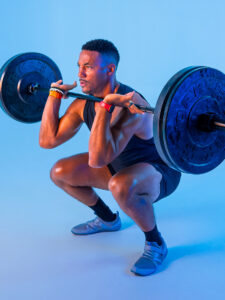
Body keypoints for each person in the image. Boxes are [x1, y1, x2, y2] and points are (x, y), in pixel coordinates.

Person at [39, 39, 181, 276]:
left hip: (157, 172)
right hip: (116, 165)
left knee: (120, 185)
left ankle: (155, 243)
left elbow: (97, 159)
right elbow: (48, 140)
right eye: (79, 66)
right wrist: (53, 96)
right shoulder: (83, 102)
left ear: (110, 70)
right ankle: (107, 220)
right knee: (60, 172)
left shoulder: (131, 105)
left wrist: (105, 108)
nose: (80, 74)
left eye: (88, 67)